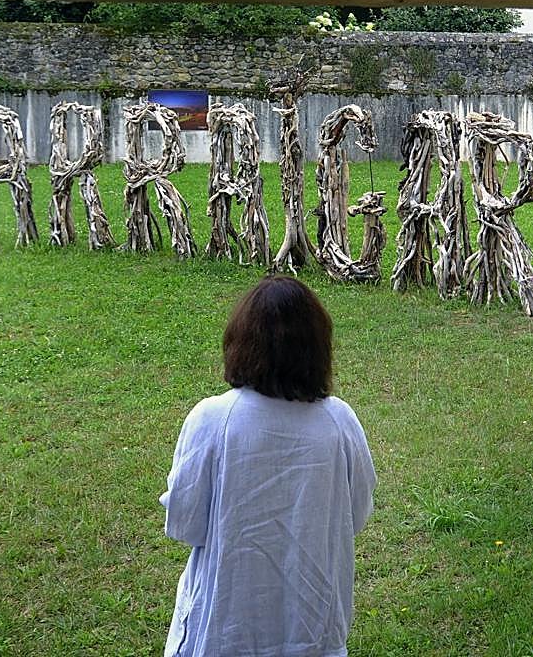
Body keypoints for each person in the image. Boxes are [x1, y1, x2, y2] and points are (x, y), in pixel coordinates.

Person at [160, 275, 377, 657]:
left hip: (222, 631)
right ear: (317, 347)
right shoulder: (339, 422)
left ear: (240, 343)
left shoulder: (211, 420)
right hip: (312, 630)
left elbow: (184, 524)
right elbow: (354, 517)